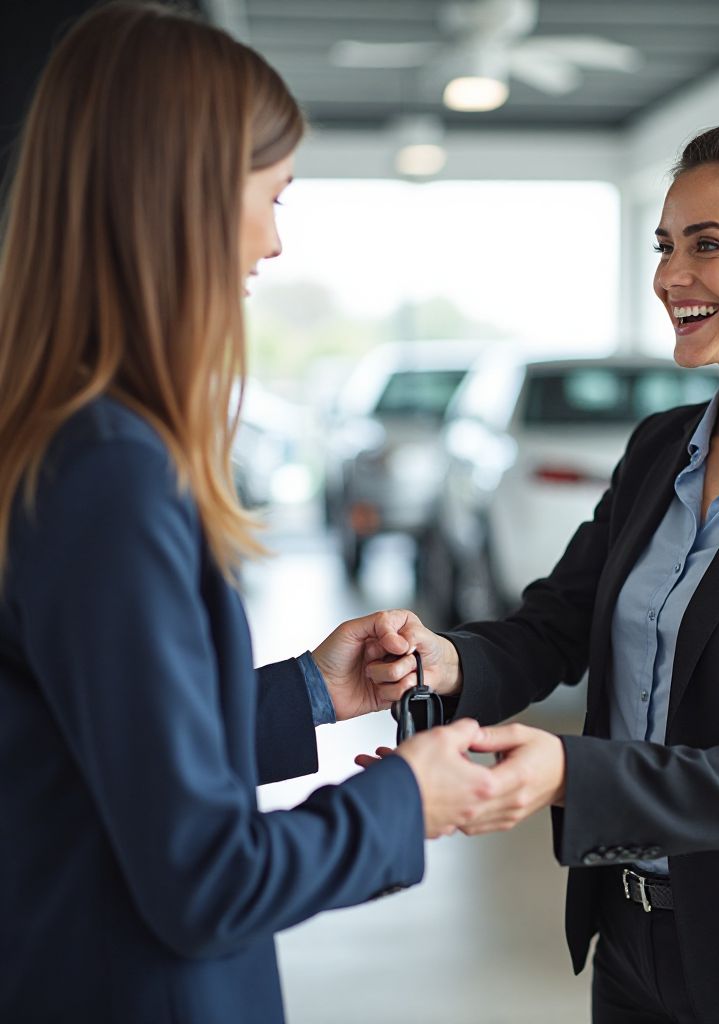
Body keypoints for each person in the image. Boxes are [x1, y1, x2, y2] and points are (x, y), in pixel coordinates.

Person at [354, 115, 719, 1023]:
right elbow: (557, 623)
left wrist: (571, 774)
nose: (671, 276)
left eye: (709, 245)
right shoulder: (659, 448)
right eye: (666, 245)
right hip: (629, 941)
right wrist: (443, 660)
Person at [0, 5, 500, 1023]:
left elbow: (99, 743)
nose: (274, 242)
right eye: (272, 195)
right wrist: (409, 795)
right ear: (177, 194)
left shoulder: (62, 439)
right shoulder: (109, 474)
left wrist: (312, 691)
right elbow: (205, 879)